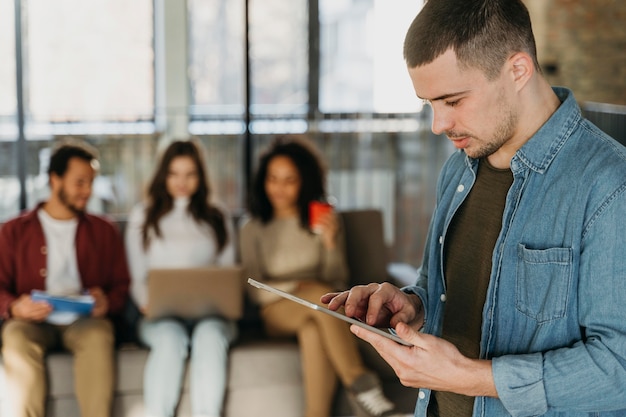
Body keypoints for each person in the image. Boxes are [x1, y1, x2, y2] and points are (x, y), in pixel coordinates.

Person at [322, 0, 626, 416]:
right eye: (429, 103)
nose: (437, 125)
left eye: (452, 100)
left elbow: (619, 368)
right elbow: (441, 290)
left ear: (517, 70)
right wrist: (412, 305)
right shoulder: (458, 170)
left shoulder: (609, 184)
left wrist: (470, 377)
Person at [239, 135, 403, 417]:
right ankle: (361, 383)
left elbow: (337, 283)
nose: (278, 188)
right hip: (276, 311)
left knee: (314, 328)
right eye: (273, 178)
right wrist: (299, 286)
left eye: (289, 180)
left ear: (304, 182)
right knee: (317, 294)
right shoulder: (253, 228)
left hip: (319, 308)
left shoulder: (325, 219)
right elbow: (255, 290)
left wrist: (329, 243)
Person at [0, 142, 130, 417]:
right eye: (79, 182)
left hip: (84, 322)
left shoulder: (105, 231)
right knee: (14, 336)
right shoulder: (13, 231)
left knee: (99, 334)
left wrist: (108, 302)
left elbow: (121, 285)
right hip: (33, 322)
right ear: (54, 179)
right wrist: (14, 307)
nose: (87, 191)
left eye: (91, 183)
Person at [124, 139, 237, 417]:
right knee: (170, 339)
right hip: (159, 316)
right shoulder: (143, 217)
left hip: (212, 315)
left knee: (209, 336)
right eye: (174, 173)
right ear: (163, 175)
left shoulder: (217, 215)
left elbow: (228, 273)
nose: (181, 182)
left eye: (190, 174)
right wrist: (146, 303)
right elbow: (137, 278)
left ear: (200, 176)